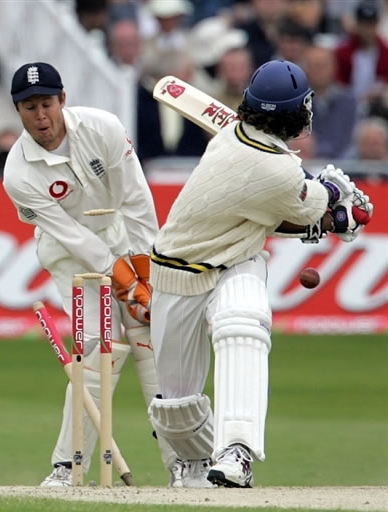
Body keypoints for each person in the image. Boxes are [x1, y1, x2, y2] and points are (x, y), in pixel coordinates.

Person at [147, 60, 373, 488]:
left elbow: (271, 208)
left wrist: (325, 205)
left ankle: (236, 452)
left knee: (244, 323)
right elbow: (301, 207)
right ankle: (192, 462)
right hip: (179, 274)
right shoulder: (278, 173)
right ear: (295, 113)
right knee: (176, 410)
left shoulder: (235, 134)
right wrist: (338, 211)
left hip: (237, 258)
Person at [2, 62, 176, 486]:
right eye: (29, 108)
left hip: (122, 234)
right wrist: (119, 277)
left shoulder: (104, 128)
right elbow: (71, 236)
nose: (40, 116)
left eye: (46, 104)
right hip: (70, 254)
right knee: (102, 349)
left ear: (62, 99)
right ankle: (67, 466)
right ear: (18, 111)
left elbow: (136, 200)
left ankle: (182, 461)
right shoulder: (18, 173)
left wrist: (146, 273)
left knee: (148, 341)